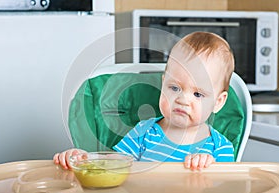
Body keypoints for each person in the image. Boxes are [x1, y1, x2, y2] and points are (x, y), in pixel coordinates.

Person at [54, 31, 235, 171]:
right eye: (174, 88)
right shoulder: (144, 132)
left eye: (197, 94)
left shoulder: (220, 148)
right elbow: (114, 165)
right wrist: (84, 159)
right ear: (163, 84)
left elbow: (225, 189)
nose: (182, 100)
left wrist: (211, 169)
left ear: (218, 102)